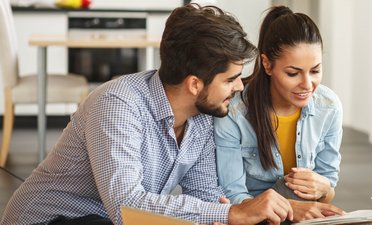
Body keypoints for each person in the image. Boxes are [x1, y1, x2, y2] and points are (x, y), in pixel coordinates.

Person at [0, 4, 294, 225]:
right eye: (230, 79)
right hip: (50, 220)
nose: (239, 87)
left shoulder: (204, 115)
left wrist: (228, 214)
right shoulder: (117, 104)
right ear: (195, 84)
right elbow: (125, 207)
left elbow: (205, 196)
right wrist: (231, 213)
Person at [214, 6, 344, 222]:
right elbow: (233, 196)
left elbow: (327, 191)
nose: (307, 85)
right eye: (293, 73)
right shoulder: (234, 113)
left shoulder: (329, 107)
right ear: (267, 64)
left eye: (315, 71)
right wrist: (291, 207)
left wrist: (324, 188)